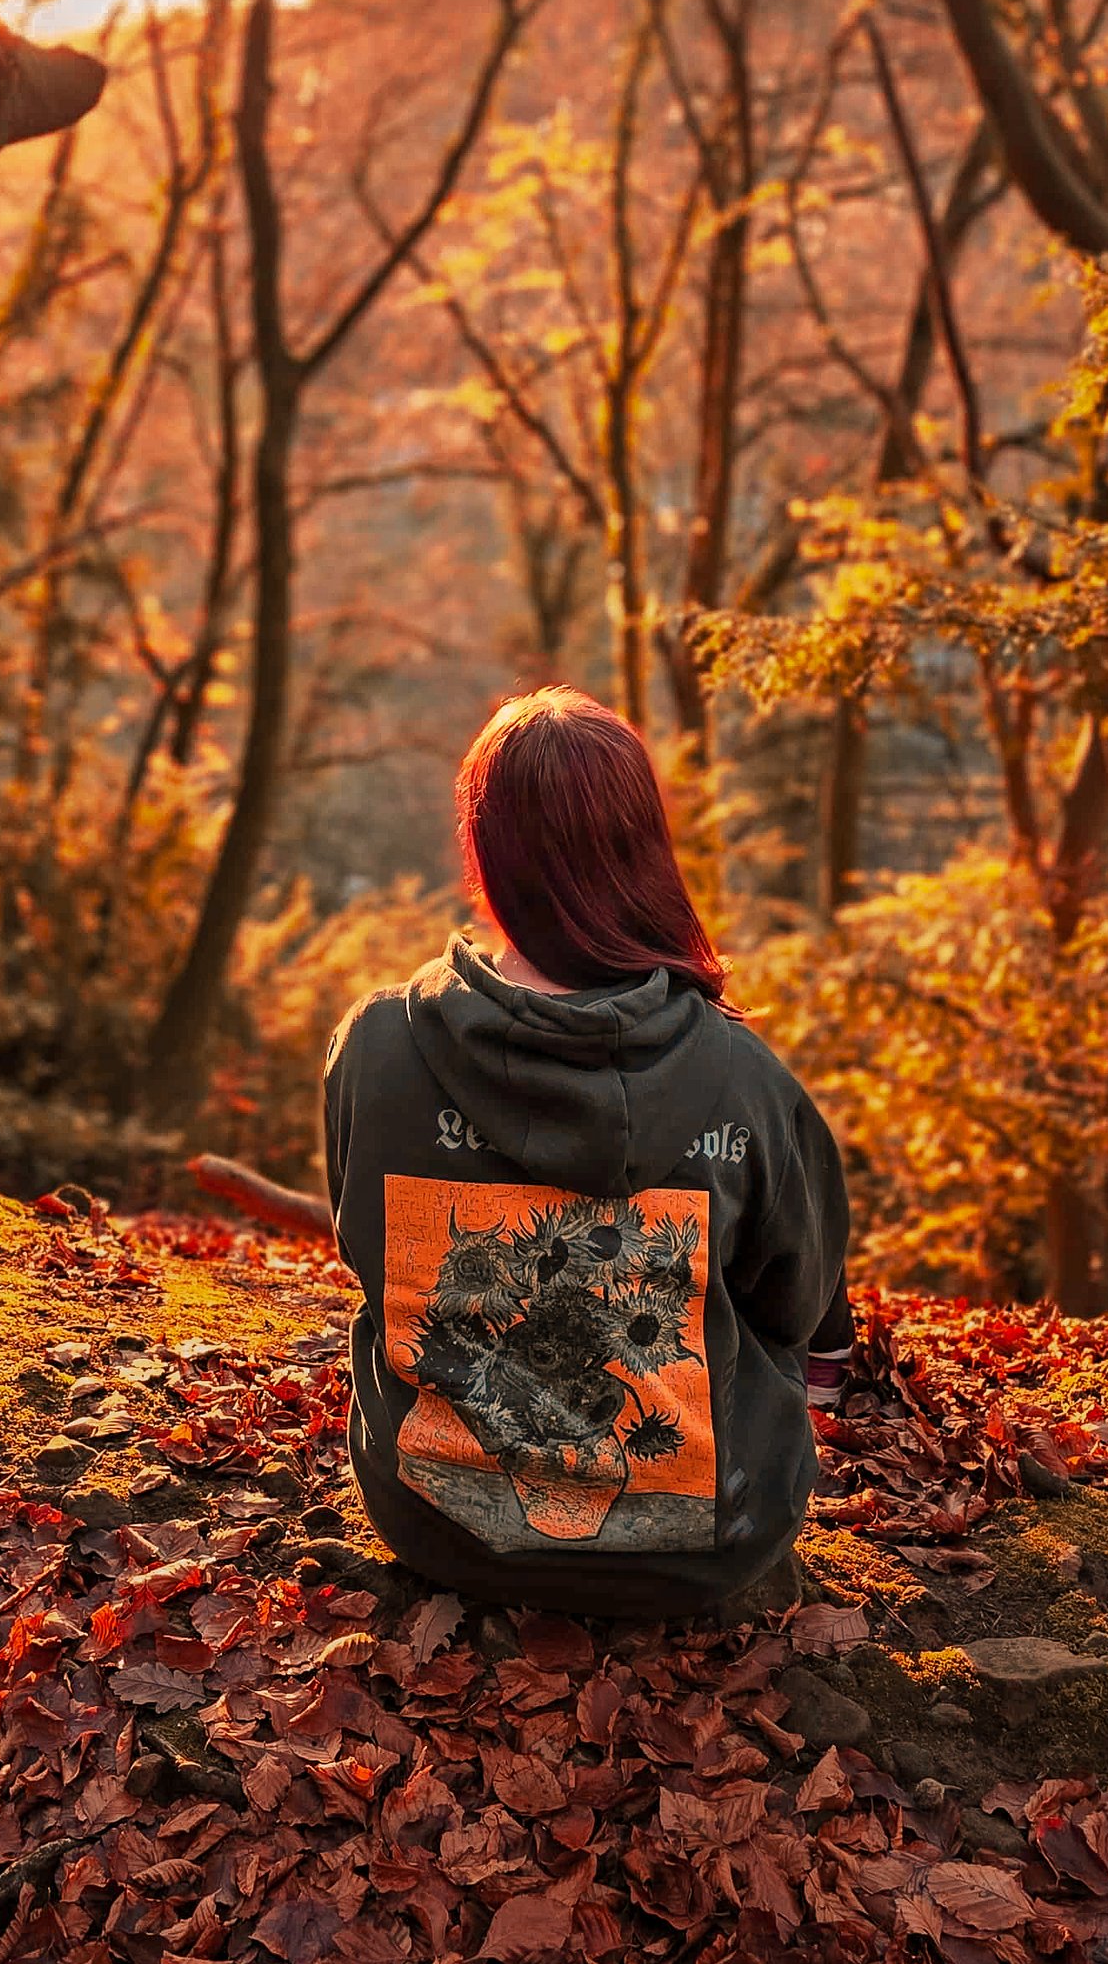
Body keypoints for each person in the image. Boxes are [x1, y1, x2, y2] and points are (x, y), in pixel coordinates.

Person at [322, 685, 851, 1619]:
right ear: (644, 853)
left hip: (436, 1525)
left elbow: (363, 1250)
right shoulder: (746, 1083)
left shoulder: (377, 1050)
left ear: (485, 851)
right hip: (709, 1551)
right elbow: (797, 1309)